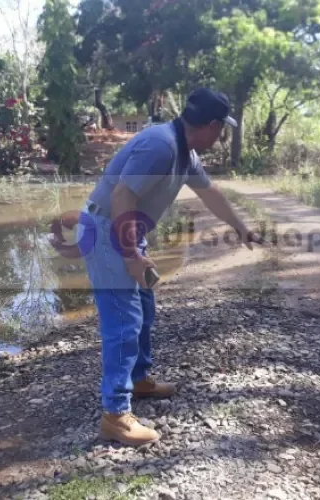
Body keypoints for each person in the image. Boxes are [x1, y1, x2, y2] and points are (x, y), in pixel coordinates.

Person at [76, 88, 264, 446]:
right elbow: (121, 196)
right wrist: (130, 254)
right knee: (123, 318)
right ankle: (115, 415)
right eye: (222, 128)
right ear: (210, 125)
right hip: (106, 230)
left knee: (144, 308)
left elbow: (210, 193)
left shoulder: (184, 152)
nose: (222, 136)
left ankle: (139, 379)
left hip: (126, 229)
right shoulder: (162, 145)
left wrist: (242, 229)